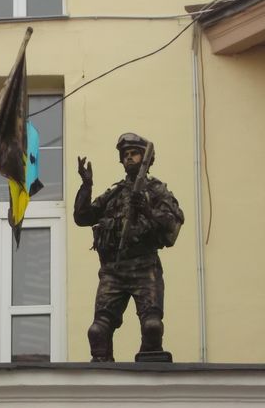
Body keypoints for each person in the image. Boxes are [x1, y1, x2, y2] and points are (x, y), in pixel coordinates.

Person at [73, 133, 184, 362]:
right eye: (125, 155)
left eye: (134, 154)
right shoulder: (115, 193)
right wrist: (86, 184)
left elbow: (171, 229)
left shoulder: (157, 191)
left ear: (145, 158)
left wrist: (146, 210)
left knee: (152, 327)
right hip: (114, 270)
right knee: (97, 332)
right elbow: (82, 217)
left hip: (144, 268)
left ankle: (150, 371)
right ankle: (102, 376)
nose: (129, 158)